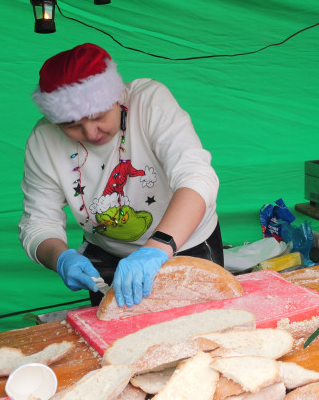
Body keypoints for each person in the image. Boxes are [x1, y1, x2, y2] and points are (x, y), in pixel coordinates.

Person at [19, 43, 222, 308]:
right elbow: (38, 223)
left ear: (116, 96)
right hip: (106, 255)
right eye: (72, 125)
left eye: (99, 116)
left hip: (187, 244)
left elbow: (197, 176)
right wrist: (60, 258)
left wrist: (158, 247)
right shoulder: (43, 140)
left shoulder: (149, 101)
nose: (92, 133)